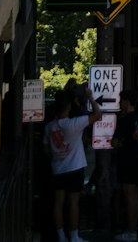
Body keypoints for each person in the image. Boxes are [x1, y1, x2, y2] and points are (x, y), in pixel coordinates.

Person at [43, 83, 101, 242]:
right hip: (75, 167)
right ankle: (74, 236)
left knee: (58, 203)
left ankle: (61, 236)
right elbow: (98, 115)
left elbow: (47, 149)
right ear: (68, 106)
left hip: (57, 169)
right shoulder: (74, 124)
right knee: (73, 202)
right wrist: (90, 97)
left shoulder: (49, 127)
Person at [112, 88, 138, 242]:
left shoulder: (124, 120)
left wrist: (120, 142)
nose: (120, 103)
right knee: (134, 194)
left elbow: (115, 142)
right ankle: (133, 227)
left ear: (127, 102)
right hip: (137, 159)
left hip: (127, 160)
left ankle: (131, 231)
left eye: (121, 101)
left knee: (129, 194)